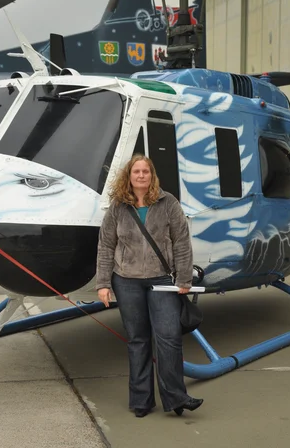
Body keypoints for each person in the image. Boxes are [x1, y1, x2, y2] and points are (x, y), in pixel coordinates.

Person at [96, 154, 203, 418]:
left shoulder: (168, 203)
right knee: (138, 340)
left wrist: (185, 279)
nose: (141, 175)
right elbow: (106, 246)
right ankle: (141, 401)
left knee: (169, 338)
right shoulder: (118, 207)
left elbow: (181, 242)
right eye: (136, 172)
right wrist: (103, 283)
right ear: (129, 177)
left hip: (161, 281)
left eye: (146, 171)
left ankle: (176, 398)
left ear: (152, 175)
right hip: (126, 280)